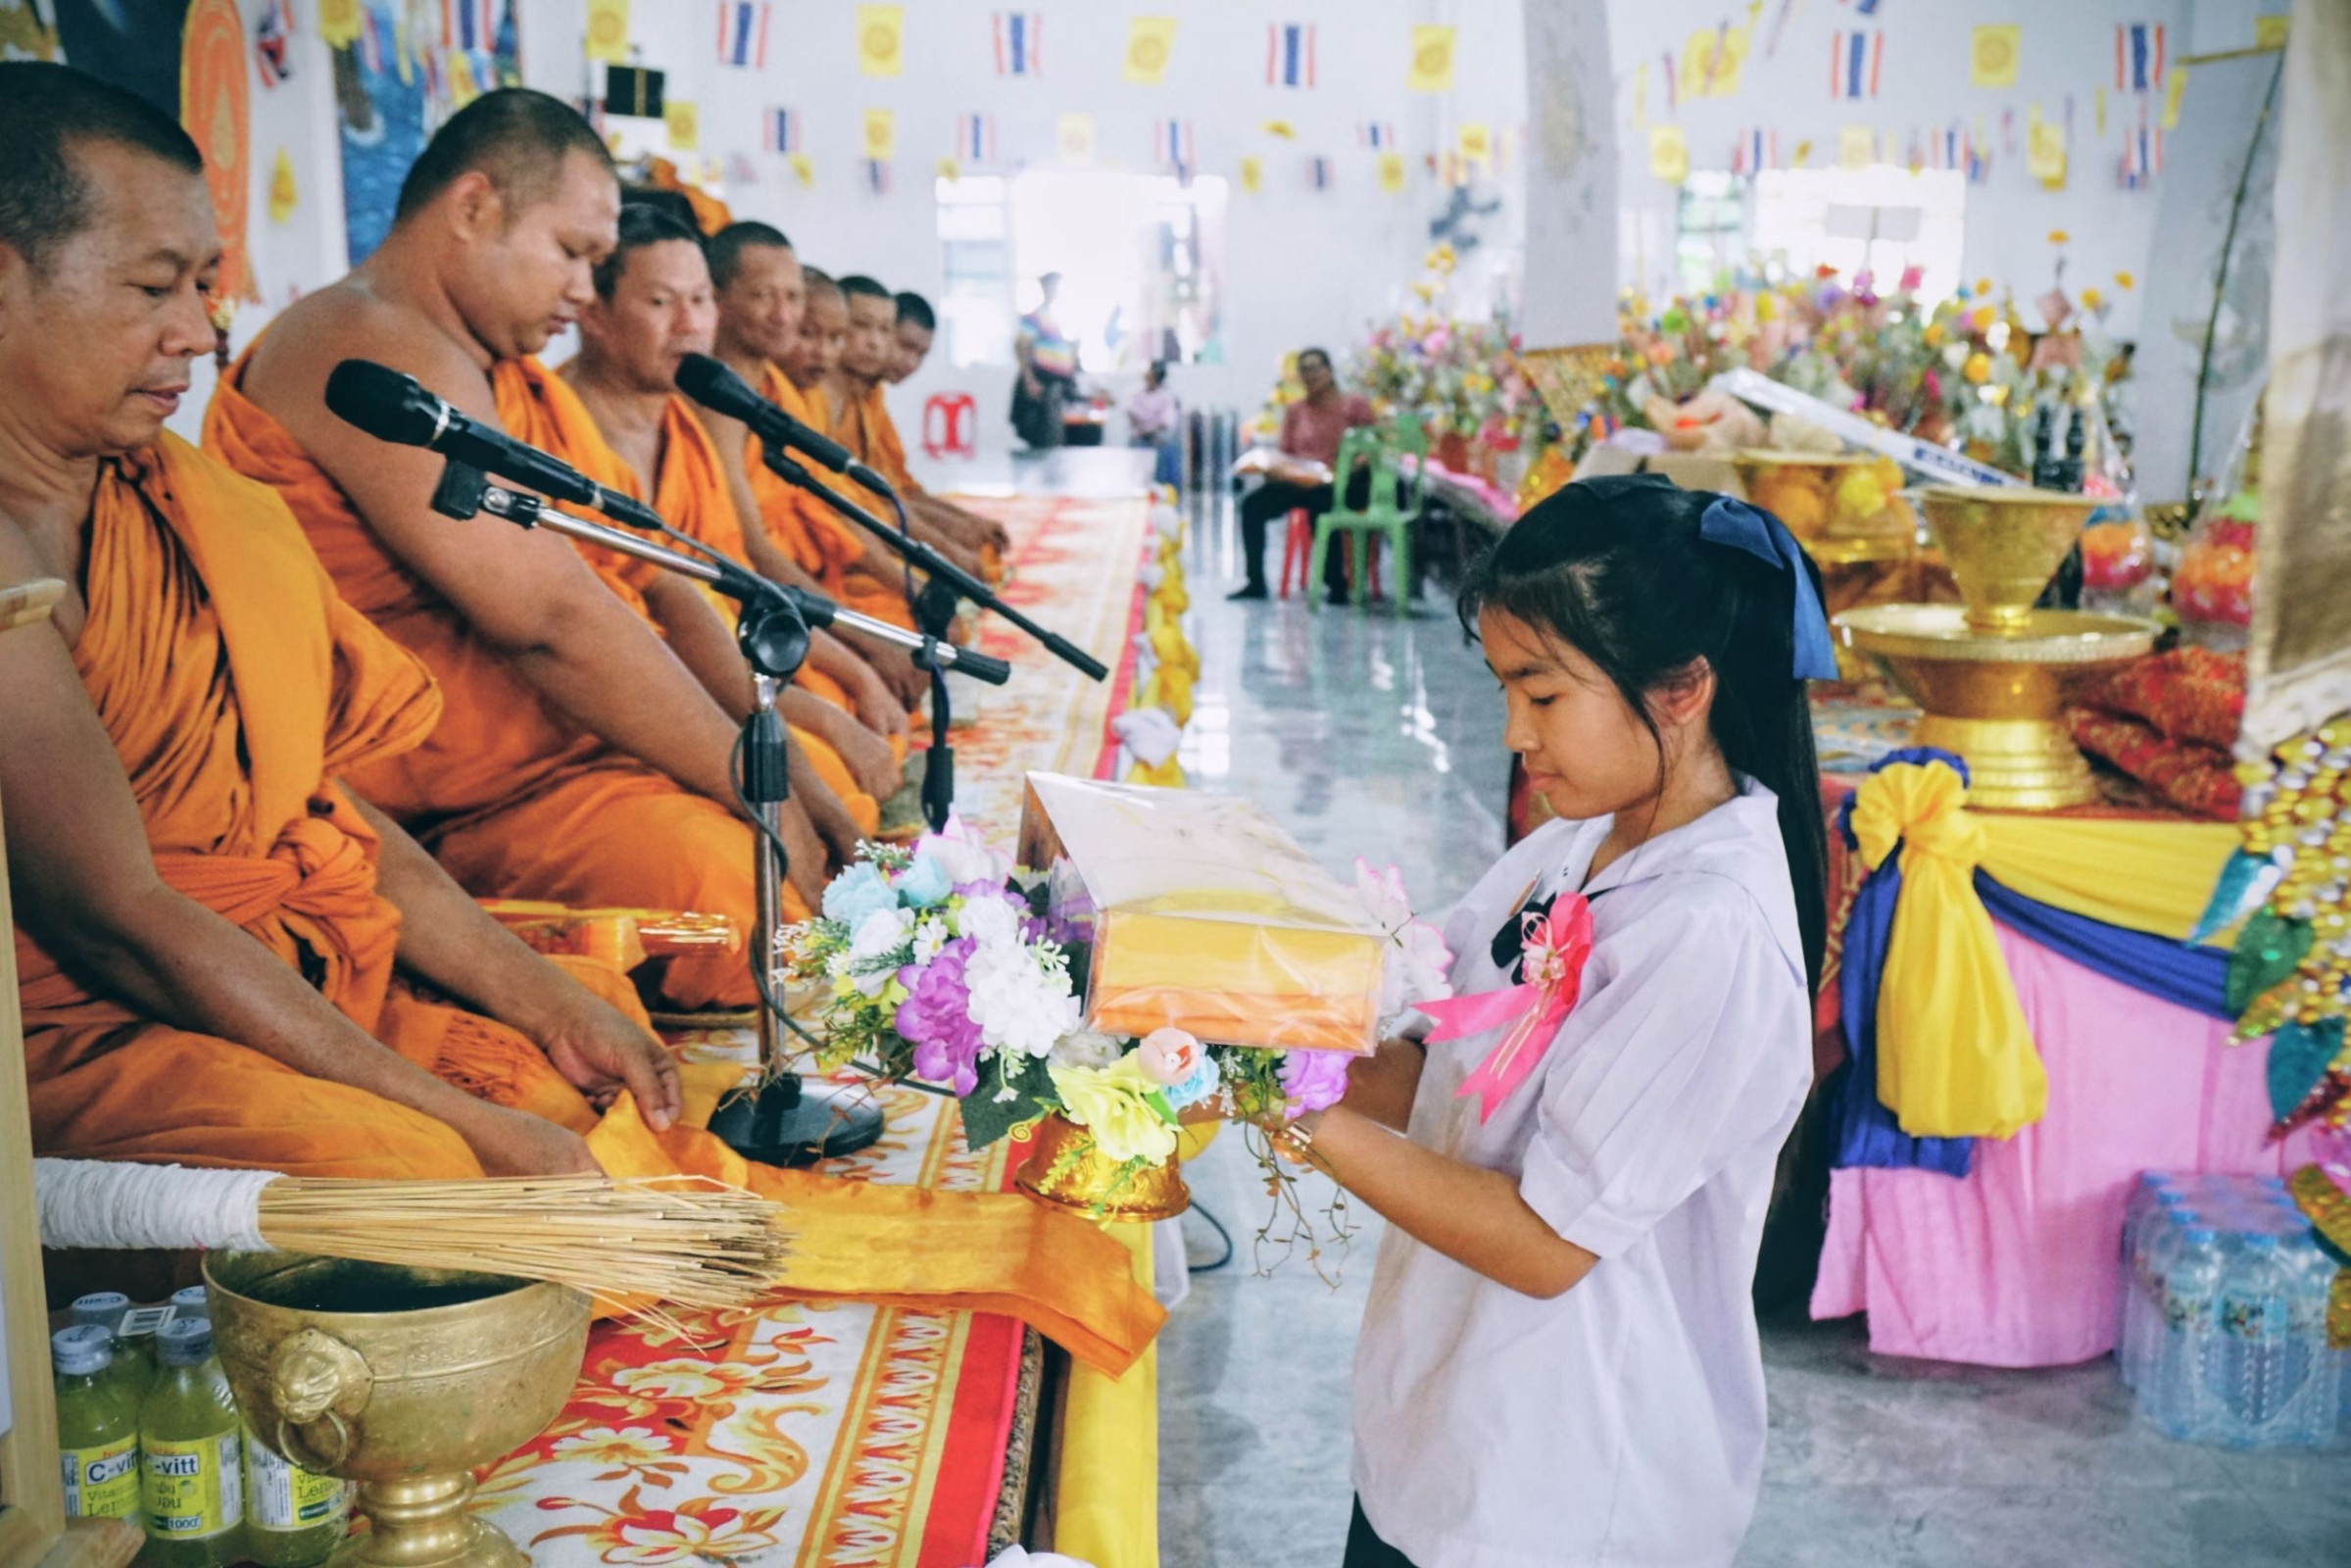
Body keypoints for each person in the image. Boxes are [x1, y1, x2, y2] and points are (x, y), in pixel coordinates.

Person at [0, 62, 680, 1181]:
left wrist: (536, 991)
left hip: (281, 958)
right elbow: (118, 919)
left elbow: (319, 807)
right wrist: (454, 1118)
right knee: (430, 1171)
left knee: (576, 1056)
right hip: (96, 1024)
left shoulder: (193, 505)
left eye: (205, 286)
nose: (198, 333)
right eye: (153, 288)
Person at [1271, 475, 1827, 1566]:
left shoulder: (1707, 932)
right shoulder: (1580, 841)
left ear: (1679, 690)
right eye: (1502, 688)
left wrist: (1284, 1109)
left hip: (1564, 1482)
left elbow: (1543, 1241)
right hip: (1445, 1426)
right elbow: (1437, 1070)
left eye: (1541, 692)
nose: (1515, 731)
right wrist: (1253, 1024)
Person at [204, 88, 772, 1009]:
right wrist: (761, 786)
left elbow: (632, 574)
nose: (587, 291)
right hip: (442, 806)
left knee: (784, 831)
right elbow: (548, 618)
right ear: (472, 209)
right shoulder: (366, 342)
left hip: (561, 756)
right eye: (574, 253)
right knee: (740, 893)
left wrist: (769, 759)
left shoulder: (495, 373)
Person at [539, 204, 902, 859]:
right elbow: (610, 634)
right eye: (661, 301)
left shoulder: (684, 427)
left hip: (731, 663)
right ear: (592, 310)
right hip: (606, 718)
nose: (691, 323)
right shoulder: (553, 431)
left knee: (836, 760)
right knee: (751, 853)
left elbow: (724, 581)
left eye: (700, 299)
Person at [828, 274, 1005, 582]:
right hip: (845, 537)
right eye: (862, 326)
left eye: (883, 331)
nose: (875, 343)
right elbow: (857, 508)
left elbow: (897, 491)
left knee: (978, 550)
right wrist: (950, 553)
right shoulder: (818, 397)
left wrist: (967, 524)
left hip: (874, 524)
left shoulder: (868, 399)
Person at [1229, 347, 1376, 603]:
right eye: (1303, 371)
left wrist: (1351, 466)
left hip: (1339, 484)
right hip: (1298, 481)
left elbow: (1372, 445)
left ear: (1329, 371)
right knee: (1252, 505)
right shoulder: (1296, 411)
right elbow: (1285, 453)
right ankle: (1255, 581)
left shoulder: (1353, 405)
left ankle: (1336, 584)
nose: (1309, 376)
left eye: (1314, 368)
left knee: (1323, 506)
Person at [1010, 270, 1077, 450]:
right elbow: (1020, 347)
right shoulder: (1034, 317)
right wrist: (1030, 380)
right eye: (1053, 286)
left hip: (1057, 384)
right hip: (1041, 383)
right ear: (1045, 288)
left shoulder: (1056, 318)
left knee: (1055, 438)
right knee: (1046, 437)